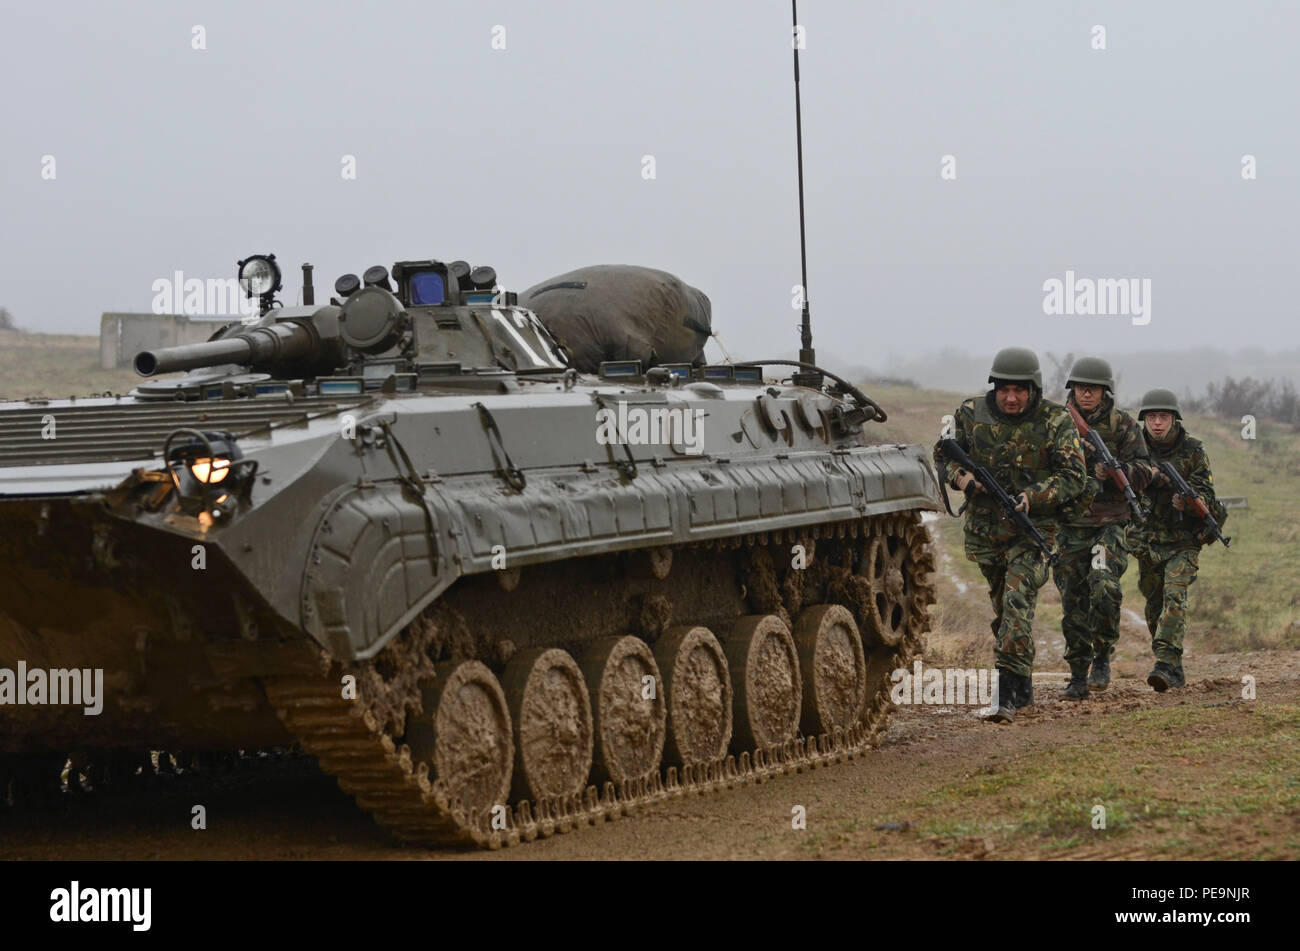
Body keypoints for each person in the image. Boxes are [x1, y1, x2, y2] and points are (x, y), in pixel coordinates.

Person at [934, 347, 1087, 722]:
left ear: (1033, 389)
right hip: (987, 533)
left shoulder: (1055, 420)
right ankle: (1023, 689)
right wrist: (964, 481)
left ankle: (1005, 697)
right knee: (1004, 612)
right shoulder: (970, 415)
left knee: (1017, 605)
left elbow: (1074, 476)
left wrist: (1031, 498)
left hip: (1034, 533)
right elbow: (943, 454)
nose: (1011, 398)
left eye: (1019, 390)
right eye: (1004, 390)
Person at [1052, 357, 1151, 699]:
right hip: (1070, 524)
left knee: (1104, 585)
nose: (1087, 394)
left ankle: (1102, 657)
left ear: (1104, 391)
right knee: (1073, 601)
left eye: (1092, 389)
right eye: (1081, 389)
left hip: (1109, 523)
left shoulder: (1123, 426)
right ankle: (1078, 673)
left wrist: (1117, 470)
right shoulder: (1057, 422)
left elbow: (1145, 471)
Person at [1131, 389, 1228, 691]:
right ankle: (1174, 667)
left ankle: (1163, 663)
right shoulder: (1134, 449)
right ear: (1144, 419)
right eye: (1151, 417)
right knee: (1154, 605)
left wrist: (1188, 502)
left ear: (1174, 419)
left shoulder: (1193, 450)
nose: (1157, 423)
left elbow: (1208, 497)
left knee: (1175, 596)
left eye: (1163, 417)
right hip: (1148, 541)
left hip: (1183, 542)